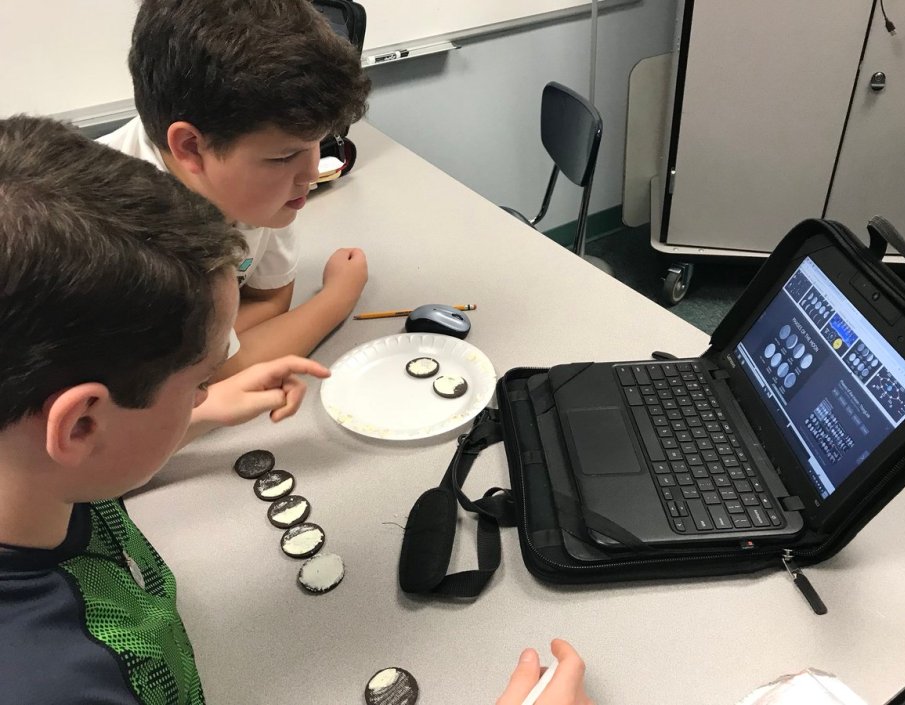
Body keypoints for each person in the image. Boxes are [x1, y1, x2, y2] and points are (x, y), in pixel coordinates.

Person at [0, 116, 594, 705]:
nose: (207, 393)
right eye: (200, 382)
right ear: (80, 425)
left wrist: (202, 412)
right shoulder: (59, 682)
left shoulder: (36, 470)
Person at [99, 0, 372, 381]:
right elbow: (212, 379)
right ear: (191, 147)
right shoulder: (132, 245)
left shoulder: (242, 177)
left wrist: (204, 351)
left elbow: (271, 298)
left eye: (318, 143)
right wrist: (336, 298)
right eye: (285, 156)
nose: (312, 172)